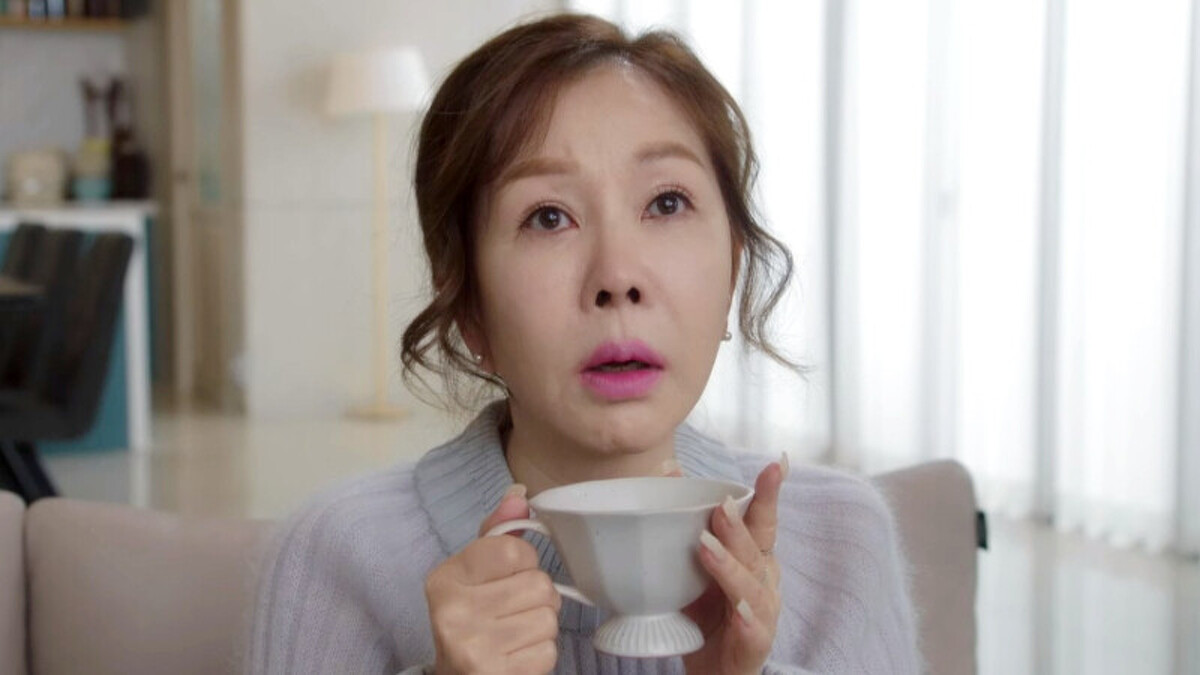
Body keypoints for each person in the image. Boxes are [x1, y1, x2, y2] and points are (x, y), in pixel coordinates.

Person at [246, 13, 919, 675]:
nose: (617, 277)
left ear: (733, 269)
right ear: (469, 308)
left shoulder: (844, 542)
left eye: (666, 203)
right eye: (548, 216)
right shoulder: (337, 559)